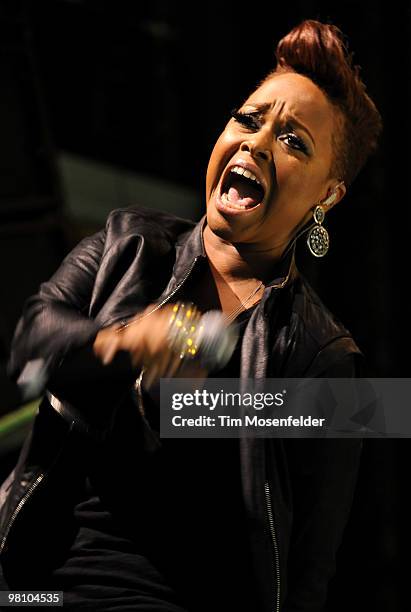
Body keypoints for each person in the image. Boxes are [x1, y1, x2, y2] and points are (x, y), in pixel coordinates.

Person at [0, 18, 382, 612]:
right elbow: (30, 342)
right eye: (249, 120)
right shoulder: (126, 243)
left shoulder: (322, 354)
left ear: (327, 196)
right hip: (38, 586)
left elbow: (310, 571)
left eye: (293, 140)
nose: (256, 143)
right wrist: (124, 343)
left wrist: (201, 401)